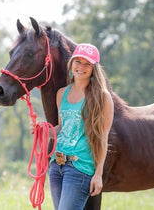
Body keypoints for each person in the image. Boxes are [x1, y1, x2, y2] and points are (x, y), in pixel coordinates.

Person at [48, 43, 114, 210]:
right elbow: (62, 128)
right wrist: (44, 131)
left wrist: (98, 174)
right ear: (71, 64)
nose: (81, 67)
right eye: (78, 61)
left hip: (80, 167)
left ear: (94, 68)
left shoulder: (102, 97)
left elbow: (103, 137)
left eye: (87, 64)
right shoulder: (61, 93)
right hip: (56, 165)